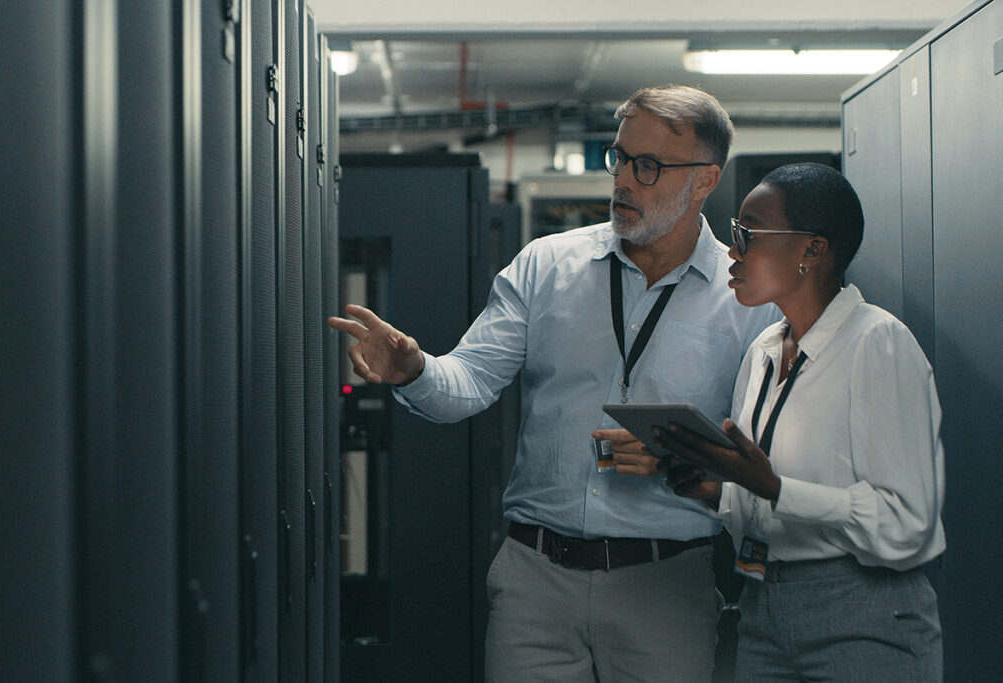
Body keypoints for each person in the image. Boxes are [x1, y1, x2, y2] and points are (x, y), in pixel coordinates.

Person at [328, 85, 779, 682]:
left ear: (704, 180)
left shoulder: (747, 300)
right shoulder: (547, 265)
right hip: (536, 580)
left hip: (666, 584)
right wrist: (415, 370)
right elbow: (469, 381)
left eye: (648, 167)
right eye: (618, 158)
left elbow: (767, 456)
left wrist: (681, 457)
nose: (623, 180)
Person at [656, 162, 945, 681]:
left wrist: (774, 487)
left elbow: (907, 523)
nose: (733, 252)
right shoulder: (764, 351)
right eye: (734, 234)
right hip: (764, 609)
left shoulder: (877, 342)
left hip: (863, 616)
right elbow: (763, 503)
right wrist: (716, 492)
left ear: (812, 250)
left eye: (749, 234)